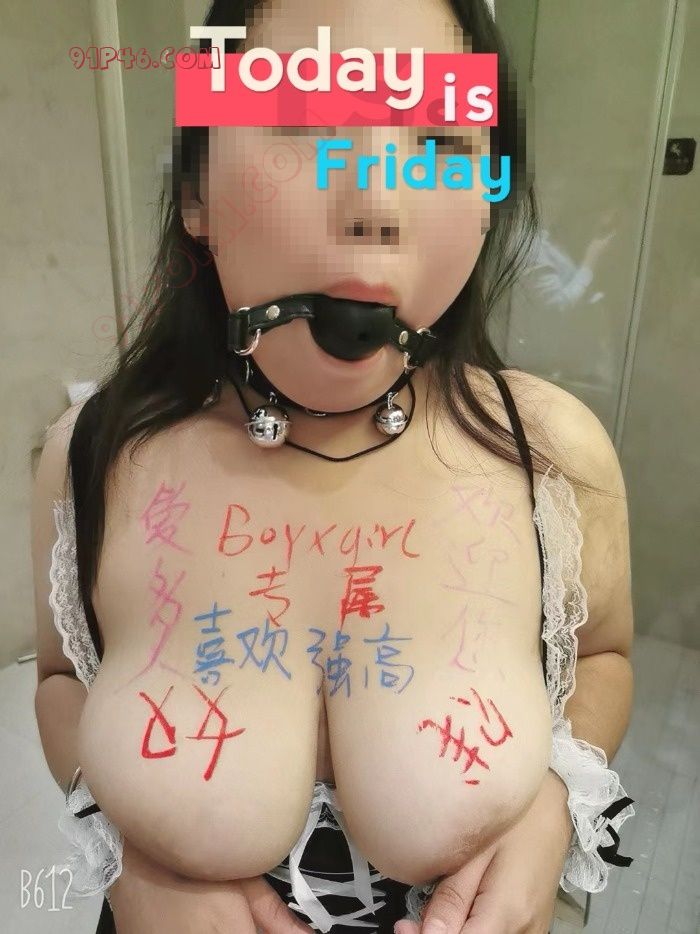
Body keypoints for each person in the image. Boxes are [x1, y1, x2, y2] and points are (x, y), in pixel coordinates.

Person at [31, 1, 635, 932]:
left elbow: (602, 656)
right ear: (195, 190)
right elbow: (61, 680)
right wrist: (121, 858)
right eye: (306, 122)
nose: (377, 202)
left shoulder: (551, 454)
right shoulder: (93, 452)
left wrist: (560, 798)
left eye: (441, 142)